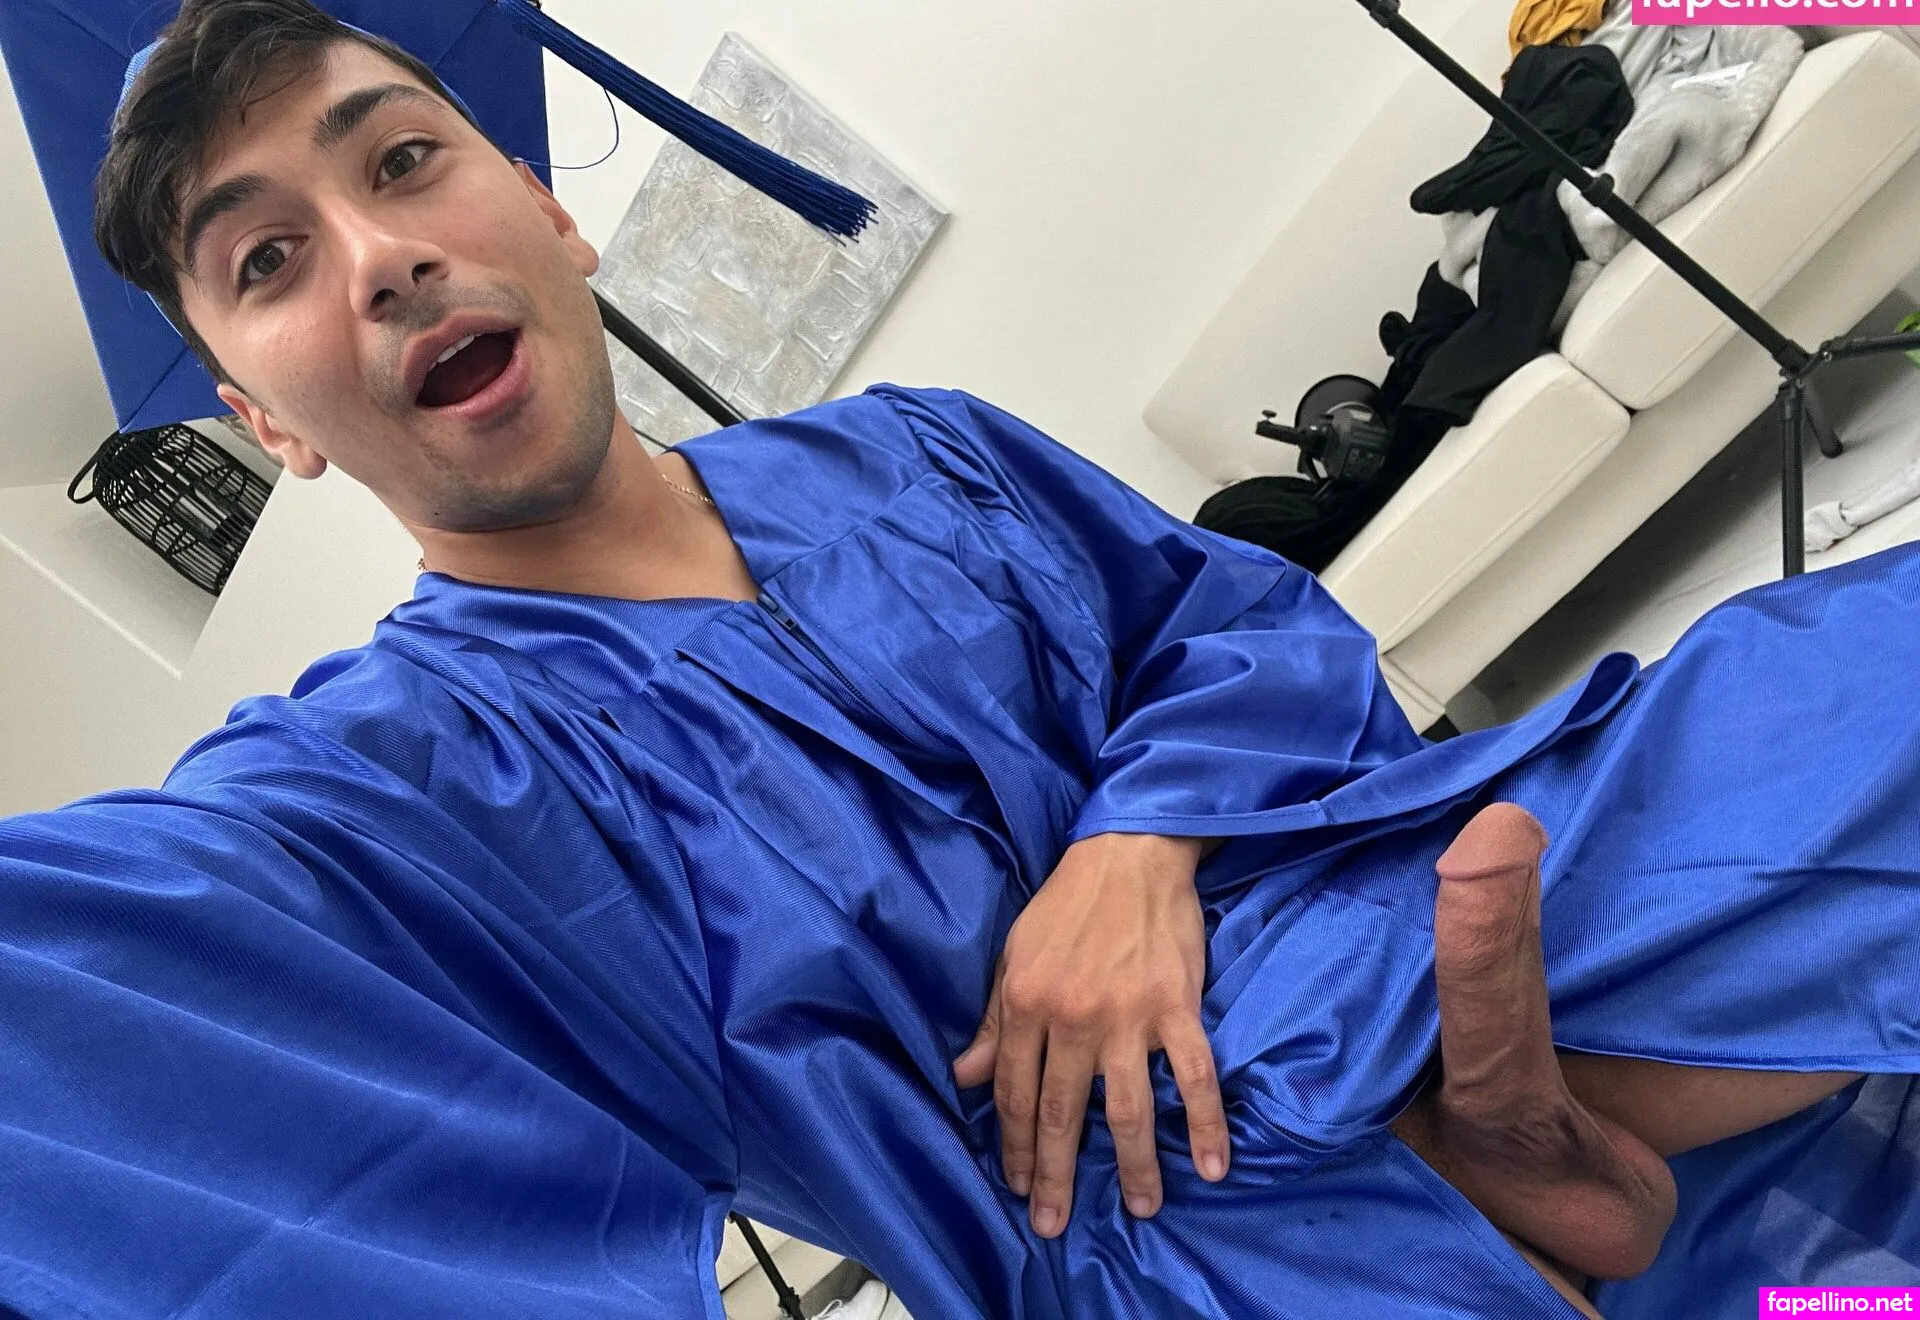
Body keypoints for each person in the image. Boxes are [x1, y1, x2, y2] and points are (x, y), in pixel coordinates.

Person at [0, 1, 1913, 1315]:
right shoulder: (397, 786)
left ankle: (1543, 1161)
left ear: (550, 211)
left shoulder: (918, 452)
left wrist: (1137, 844)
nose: (375, 255)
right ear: (271, 422)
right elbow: (118, 989)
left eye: (403, 162)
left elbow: (1246, 627)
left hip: (1433, 925)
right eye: (266, 262)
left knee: (1843, 686)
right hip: (1180, 1248)